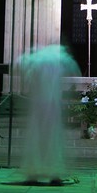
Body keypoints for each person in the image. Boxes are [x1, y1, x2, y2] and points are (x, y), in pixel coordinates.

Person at [16, 44, 75, 184]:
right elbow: (72, 69)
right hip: (51, 107)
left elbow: (22, 67)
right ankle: (53, 174)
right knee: (52, 141)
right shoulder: (57, 63)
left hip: (39, 108)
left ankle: (34, 173)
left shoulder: (36, 62)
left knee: (36, 140)